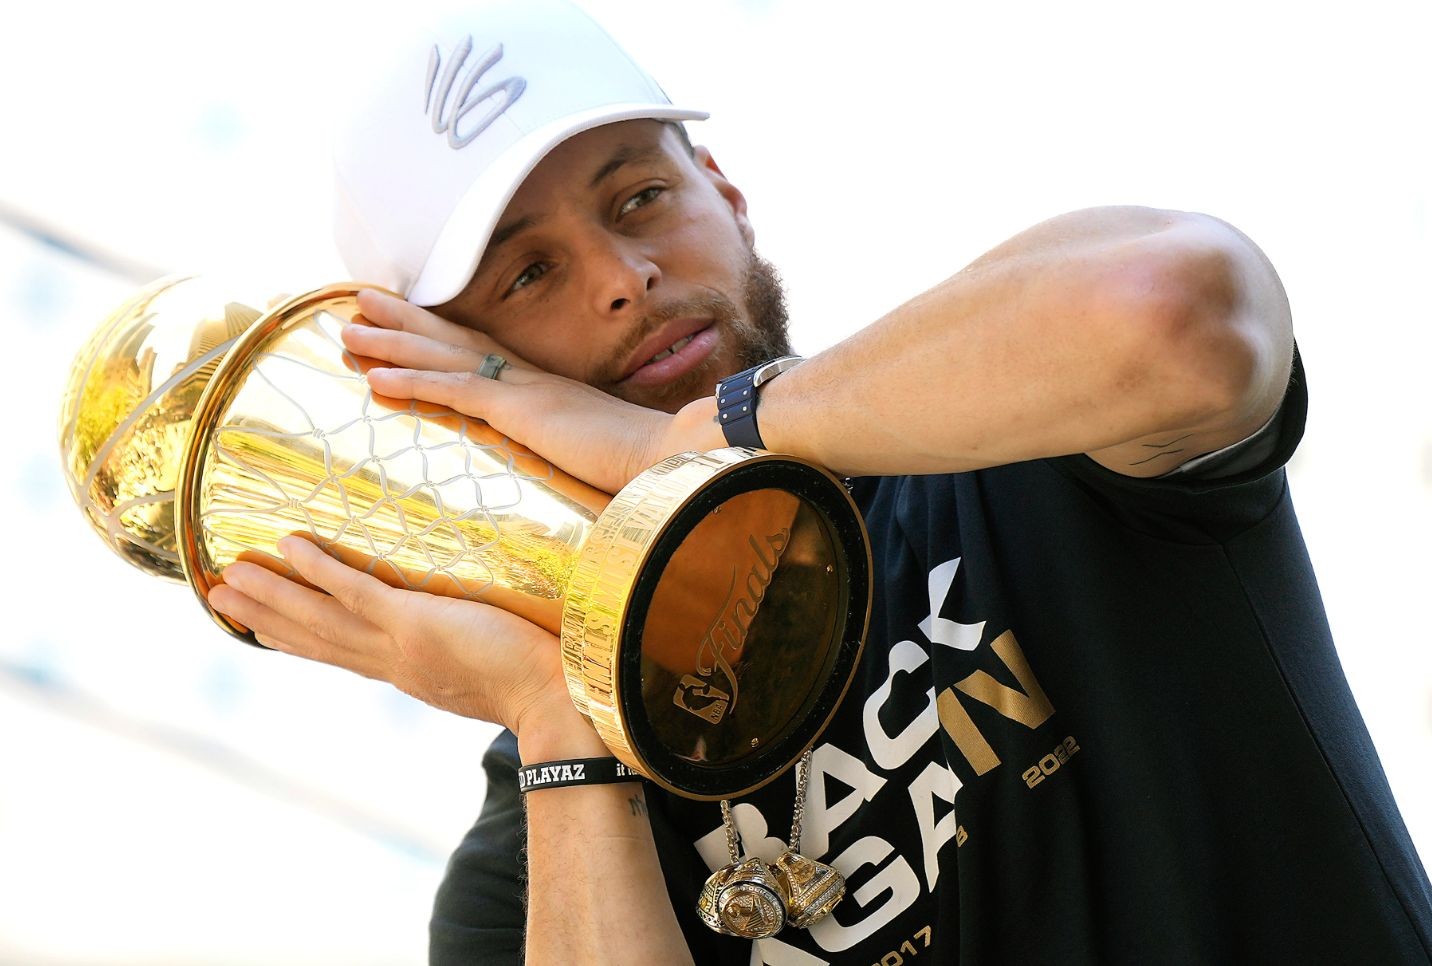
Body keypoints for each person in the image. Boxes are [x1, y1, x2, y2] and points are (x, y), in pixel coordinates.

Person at [207, 1, 1432, 962]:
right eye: (528, 277)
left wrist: (690, 443)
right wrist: (558, 712)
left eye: (641, 196)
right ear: (447, 387)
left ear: (727, 197)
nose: (622, 279)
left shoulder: (1021, 432)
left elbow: (1175, 307)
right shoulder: (520, 873)